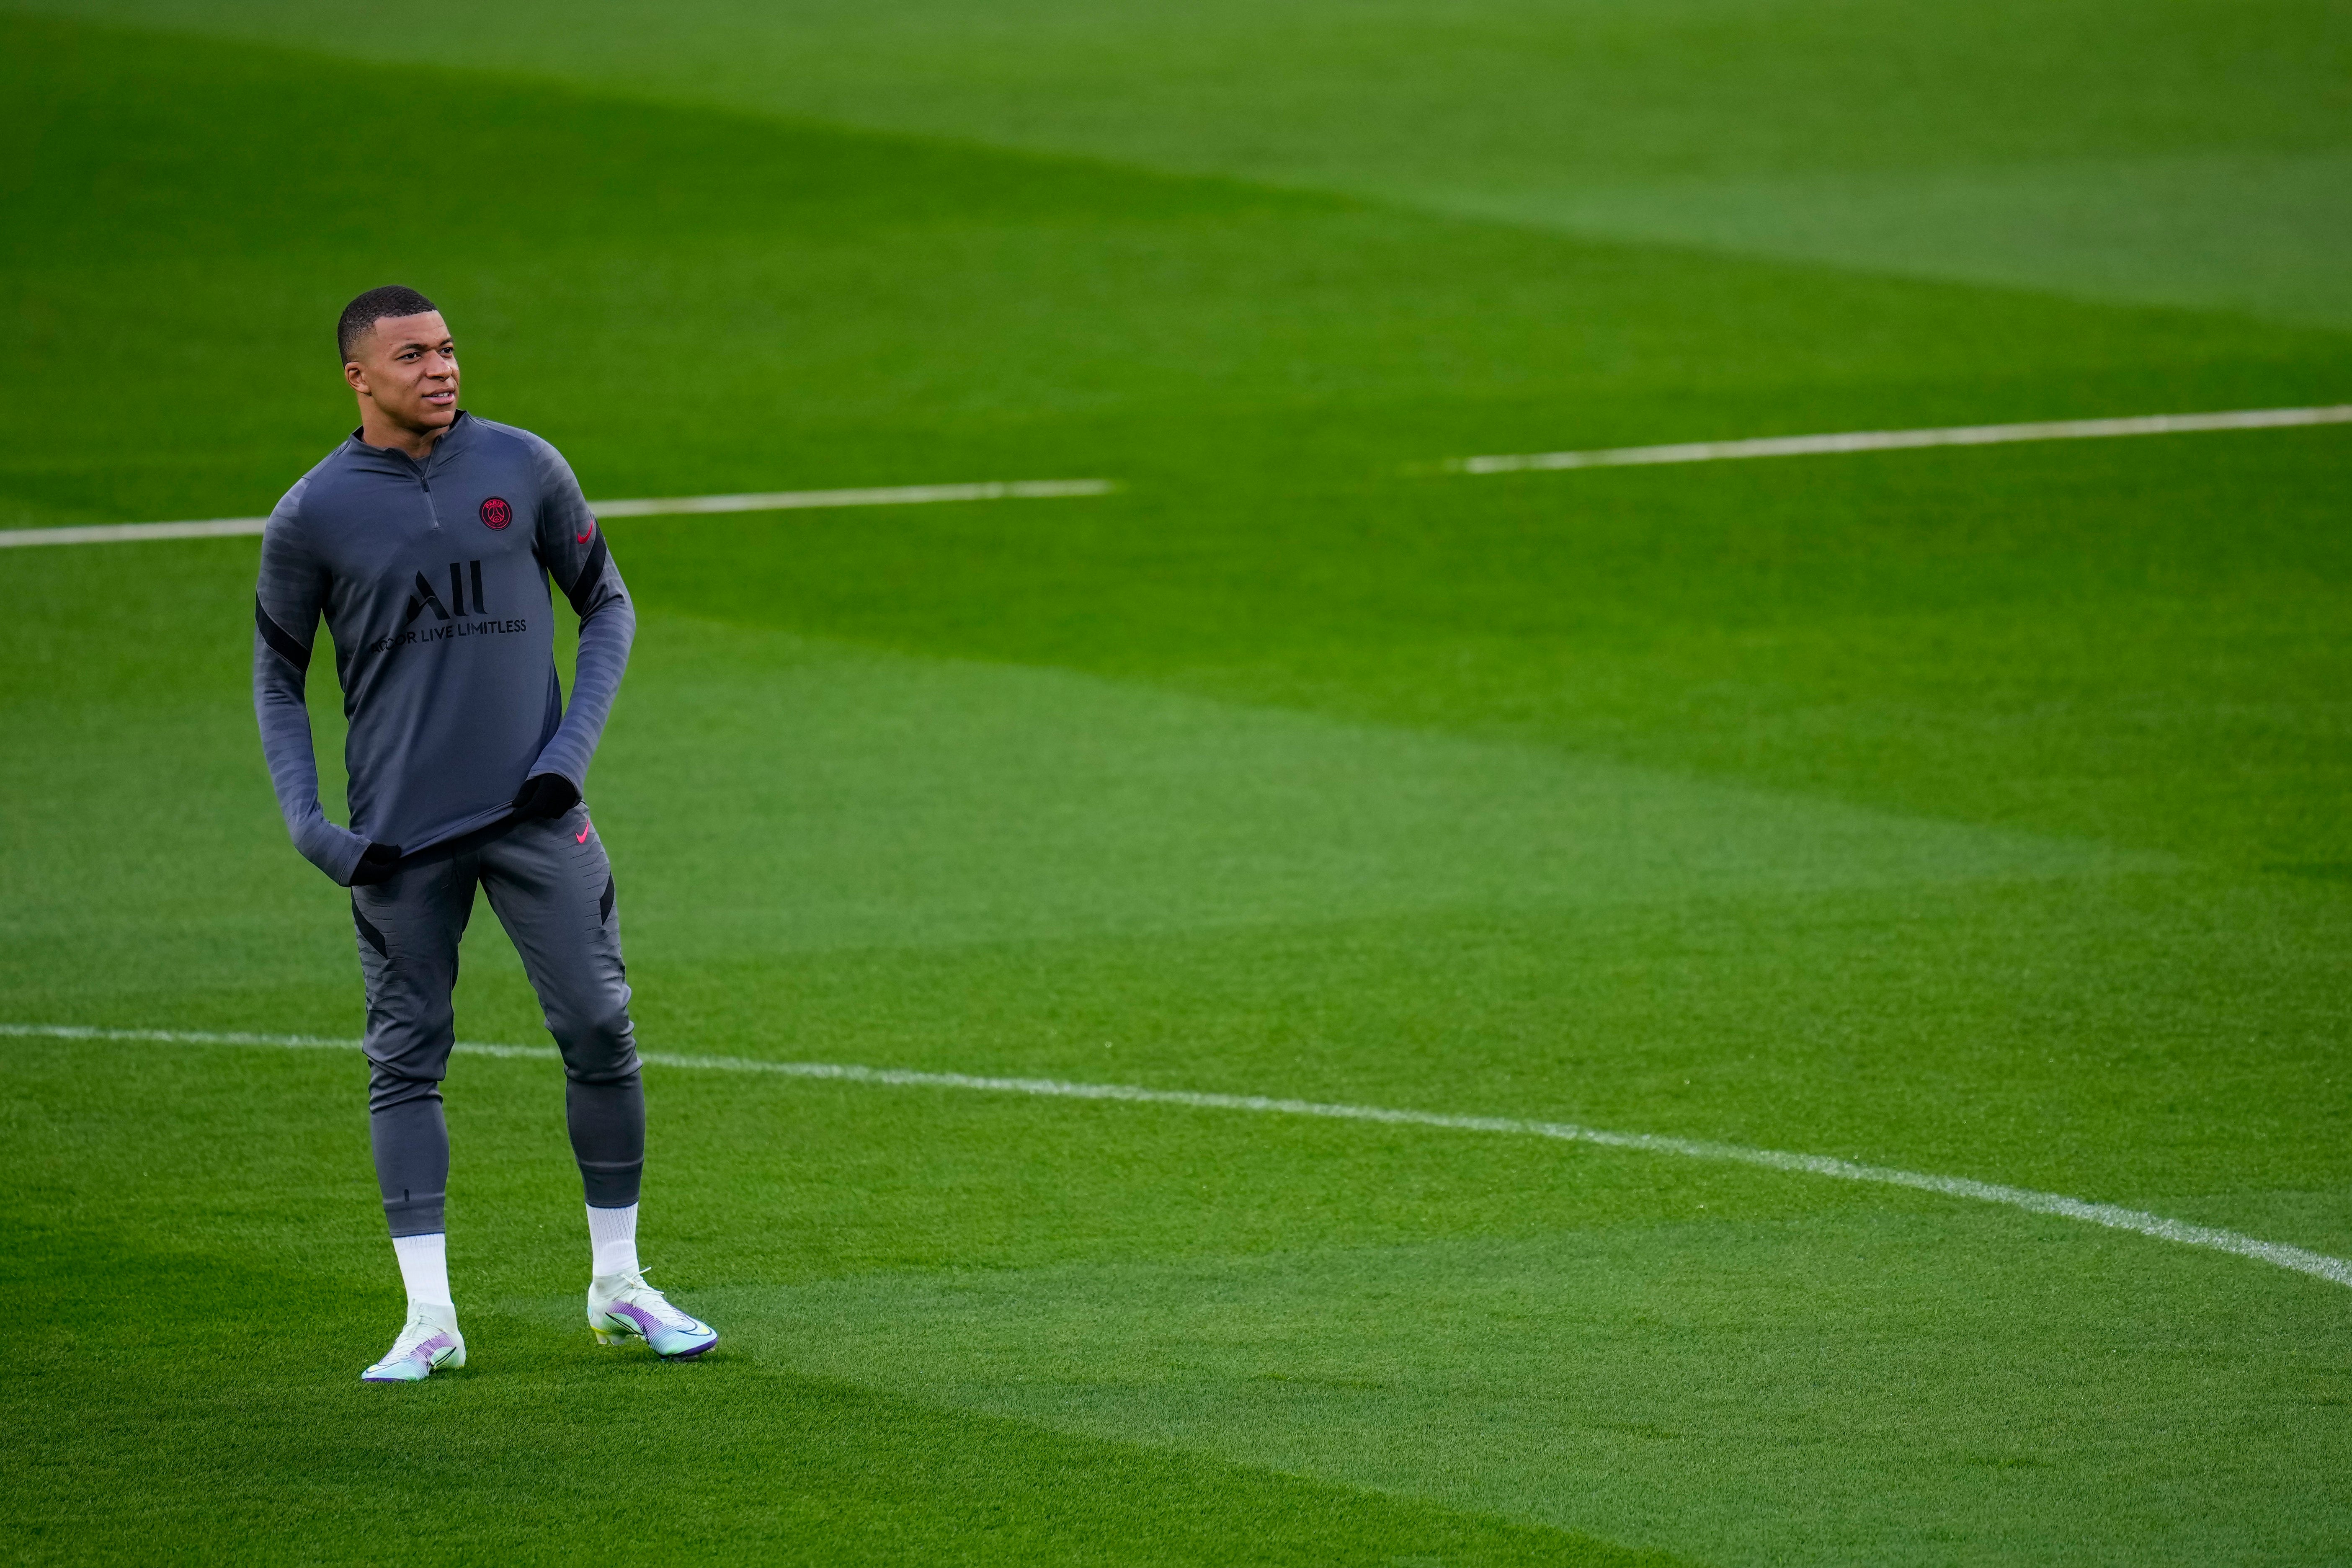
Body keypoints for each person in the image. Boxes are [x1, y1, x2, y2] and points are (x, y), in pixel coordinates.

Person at [253, 285, 716, 1382]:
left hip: (538, 817)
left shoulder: (525, 468)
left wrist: (568, 757)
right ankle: (429, 1319)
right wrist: (311, 828)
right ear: (359, 378)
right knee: (405, 1059)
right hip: (398, 841)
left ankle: (620, 1286)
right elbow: (277, 677)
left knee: (601, 1024)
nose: (443, 369)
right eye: (413, 356)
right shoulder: (312, 514)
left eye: (450, 349)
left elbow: (609, 605)